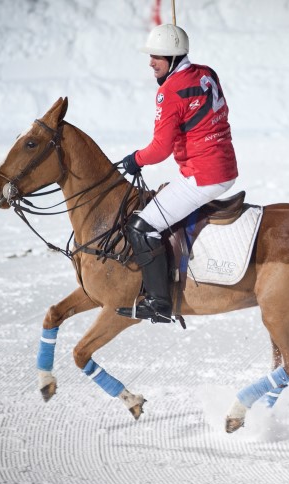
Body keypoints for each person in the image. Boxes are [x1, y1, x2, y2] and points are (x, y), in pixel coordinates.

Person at [117, 24, 238, 323]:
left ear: (173, 57)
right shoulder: (207, 72)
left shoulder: (169, 91)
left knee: (141, 227)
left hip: (203, 175)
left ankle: (159, 303)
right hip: (223, 165)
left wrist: (135, 159)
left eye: (157, 56)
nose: (151, 62)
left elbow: (160, 149)